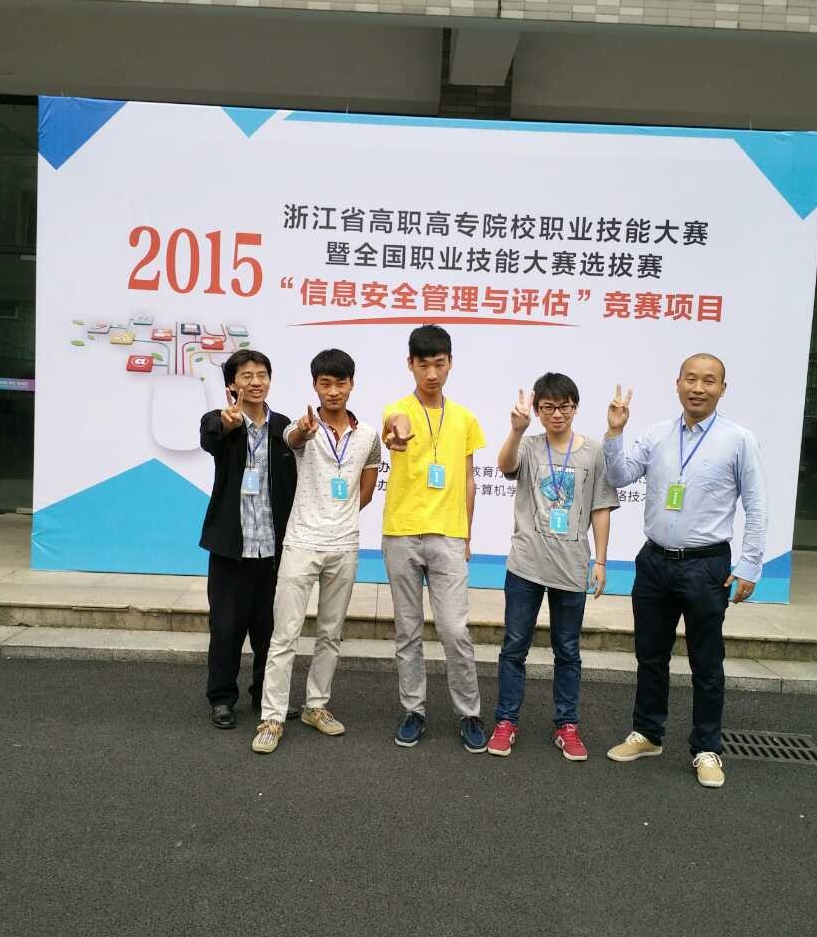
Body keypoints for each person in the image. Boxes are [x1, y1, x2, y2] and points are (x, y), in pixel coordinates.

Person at [602, 353, 767, 788]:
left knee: (706, 663)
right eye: (690, 379)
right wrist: (615, 431)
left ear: (722, 389)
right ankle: (647, 733)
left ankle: (707, 749)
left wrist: (749, 565)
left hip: (706, 566)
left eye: (709, 381)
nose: (698, 388)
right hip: (654, 561)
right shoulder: (656, 435)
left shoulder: (738, 440)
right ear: (677, 383)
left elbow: (757, 505)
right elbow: (618, 476)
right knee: (650, 655)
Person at [252, 349, 382, 754]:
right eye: (325, 383)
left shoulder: (368, 435)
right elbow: (293, 439)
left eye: (340, 383)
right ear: (315, 386)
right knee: (284, 634)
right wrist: (304, 432)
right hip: (301, 543)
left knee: (331, 633)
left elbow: (366, 488)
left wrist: (340, 516)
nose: (333, 391)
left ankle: (316, 706)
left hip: (344, 545)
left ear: (352, 384)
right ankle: (272, 717)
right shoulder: (302, 428)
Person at [488, 373, 618, 762]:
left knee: (568, 651)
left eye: (564, 406)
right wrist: (516, 429)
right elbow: (505, 465)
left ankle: (567, 725)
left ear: (575, 407)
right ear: (538, 410)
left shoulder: (593, 452)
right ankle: (506, 721)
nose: (557, 414)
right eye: (548, 407)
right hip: (526, 565)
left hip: (571, 566)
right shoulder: (528, 446)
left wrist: (601, 560)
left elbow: (600, 508)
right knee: (514, 648)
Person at [380, 325, 488, 753]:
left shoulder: (464, 418)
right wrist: (397, 436)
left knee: (454, 629)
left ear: (450, 364)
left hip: (448, 536)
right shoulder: (397, 409)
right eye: (423, 364)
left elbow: (469, 479)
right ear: (410, 364)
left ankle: (469, 712)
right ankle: (414, 710)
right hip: (402, 534)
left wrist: (467, 535)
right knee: (407, 630)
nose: (431, 373)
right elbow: (397, 427)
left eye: (439, 364)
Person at [198, 349, 297, 730]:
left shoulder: (283, 427)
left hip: (274, 549)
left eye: (261, 375)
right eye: (246, 376)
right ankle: (222, 699)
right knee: (225, 629)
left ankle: (266, 695)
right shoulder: (220, 420)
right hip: (231, 548)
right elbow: (211, 437)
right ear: (231, 385)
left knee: (270, 631)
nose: (256, 382)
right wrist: (228, 424)